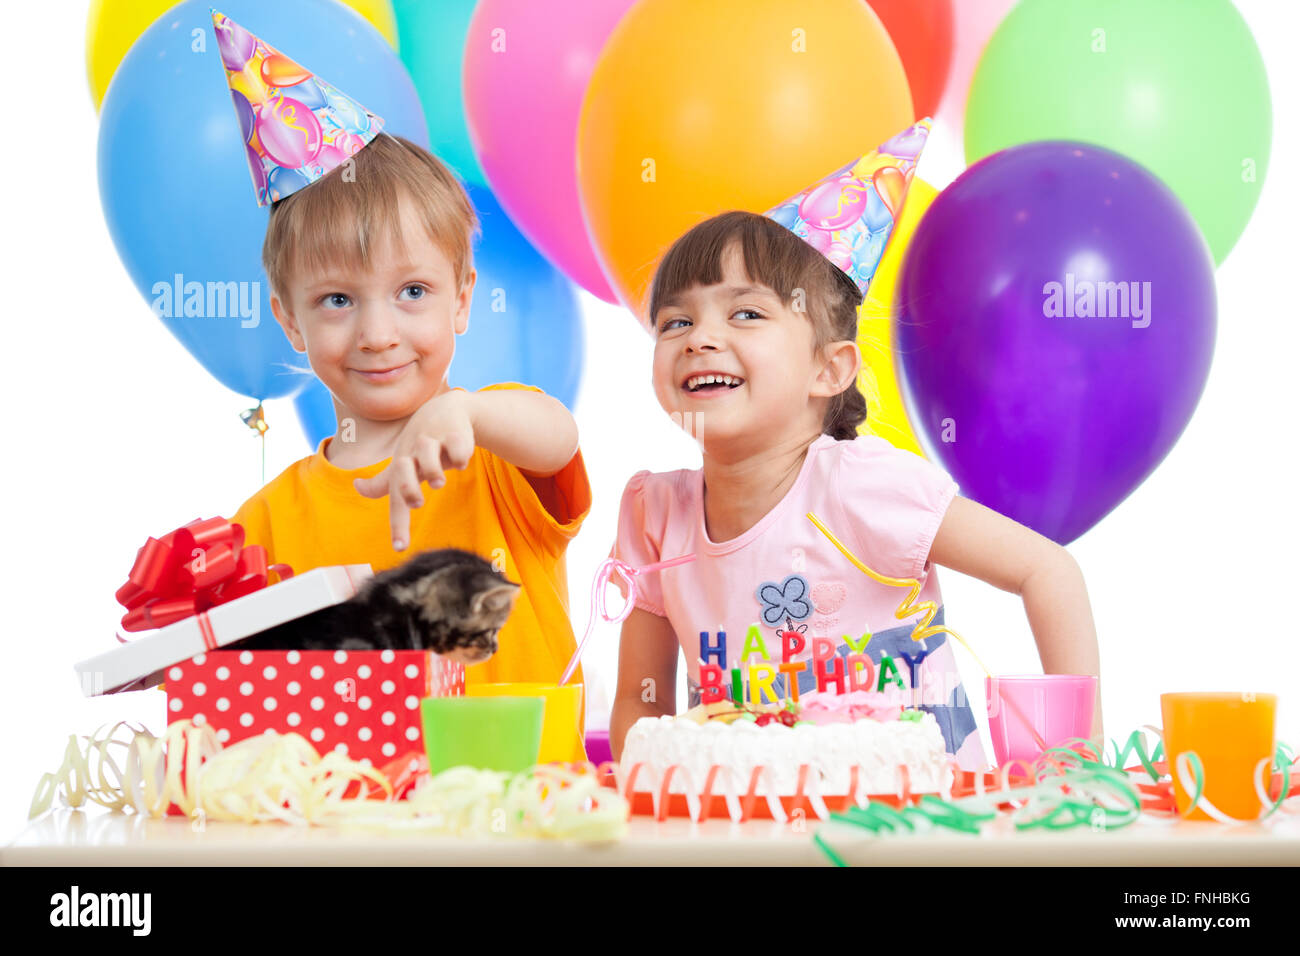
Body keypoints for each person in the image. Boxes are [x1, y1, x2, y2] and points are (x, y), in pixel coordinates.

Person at [608, 171, 1102, 767]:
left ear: (830, 369)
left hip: (924, 830)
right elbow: (643, 704)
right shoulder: (656, 516)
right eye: (675, 322)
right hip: (754, 834)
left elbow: (1047, 569)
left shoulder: (864, 487)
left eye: (745, 314)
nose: (699, 338)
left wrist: (1083, 753)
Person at [215, 20, 589, 693]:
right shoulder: (262, 526)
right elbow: (249, 695)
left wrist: (465, 413)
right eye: (336, 300)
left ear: (462, 299)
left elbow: (558, 438)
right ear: (288, 320)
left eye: (412, 291)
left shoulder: (500, 453)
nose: (378, 333)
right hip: (346, 801)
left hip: (531, 798)